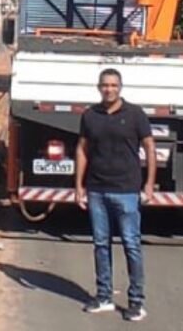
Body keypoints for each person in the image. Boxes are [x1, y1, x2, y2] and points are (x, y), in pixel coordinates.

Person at [74, 68, 156, 322]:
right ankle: (103, 297)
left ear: (120, 87)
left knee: (131, 245)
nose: (109, 89)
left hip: (127, 191)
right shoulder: (90, 115)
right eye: (105, 85)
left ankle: (136, 302)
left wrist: (150, 184)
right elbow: (82, 150)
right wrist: (79, 186)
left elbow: (150, 148)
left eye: (113, 85)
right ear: (99, 87)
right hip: (97, 189)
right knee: (101, 244)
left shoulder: (135, 114)